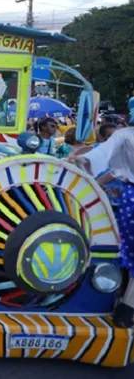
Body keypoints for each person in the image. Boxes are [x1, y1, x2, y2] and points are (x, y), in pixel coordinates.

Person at [76, 128, 134, 327]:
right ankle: (124, 308)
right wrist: (86, 161)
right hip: (131, 199)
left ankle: (125, 307)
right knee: (125, 250)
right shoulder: (125, 135)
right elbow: (102, 154)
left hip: (128, 199)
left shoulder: (125, 135)